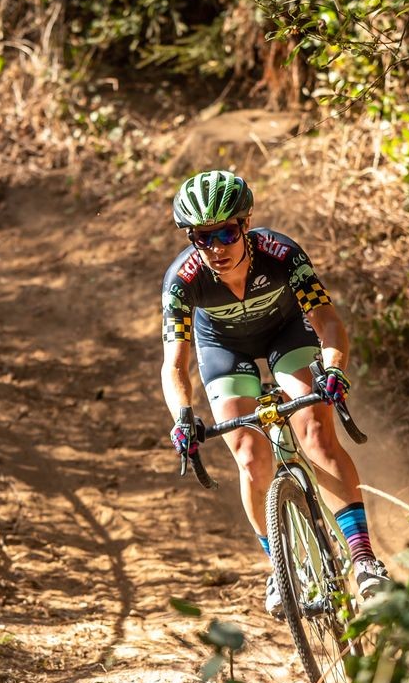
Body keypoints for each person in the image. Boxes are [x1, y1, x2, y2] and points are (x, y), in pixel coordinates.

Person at [159, 170, 391, 616]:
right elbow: (174, 364)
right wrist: (182, 418)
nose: (216, 248)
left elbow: (328, 323)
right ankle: (280, 568)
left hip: (286, 332)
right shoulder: (182, 281)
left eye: (226, 233)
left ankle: (364, 560)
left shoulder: (280, 253)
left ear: (245, 224)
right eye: (201, 238)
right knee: (249, 455)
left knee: (316, 435)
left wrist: (334, 371)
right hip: (223, 348)